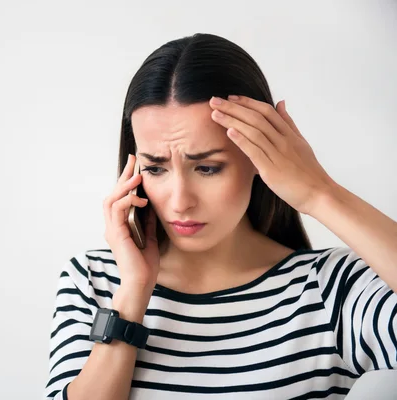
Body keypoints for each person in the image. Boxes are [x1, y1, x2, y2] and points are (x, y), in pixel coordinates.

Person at [43, 33, 397, 399]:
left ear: (260, 156)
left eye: (208, 168)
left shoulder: (330, 289)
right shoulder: (95, 282)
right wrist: (132, 293)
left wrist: (320, 194)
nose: (180, 202)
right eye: (156, 168)